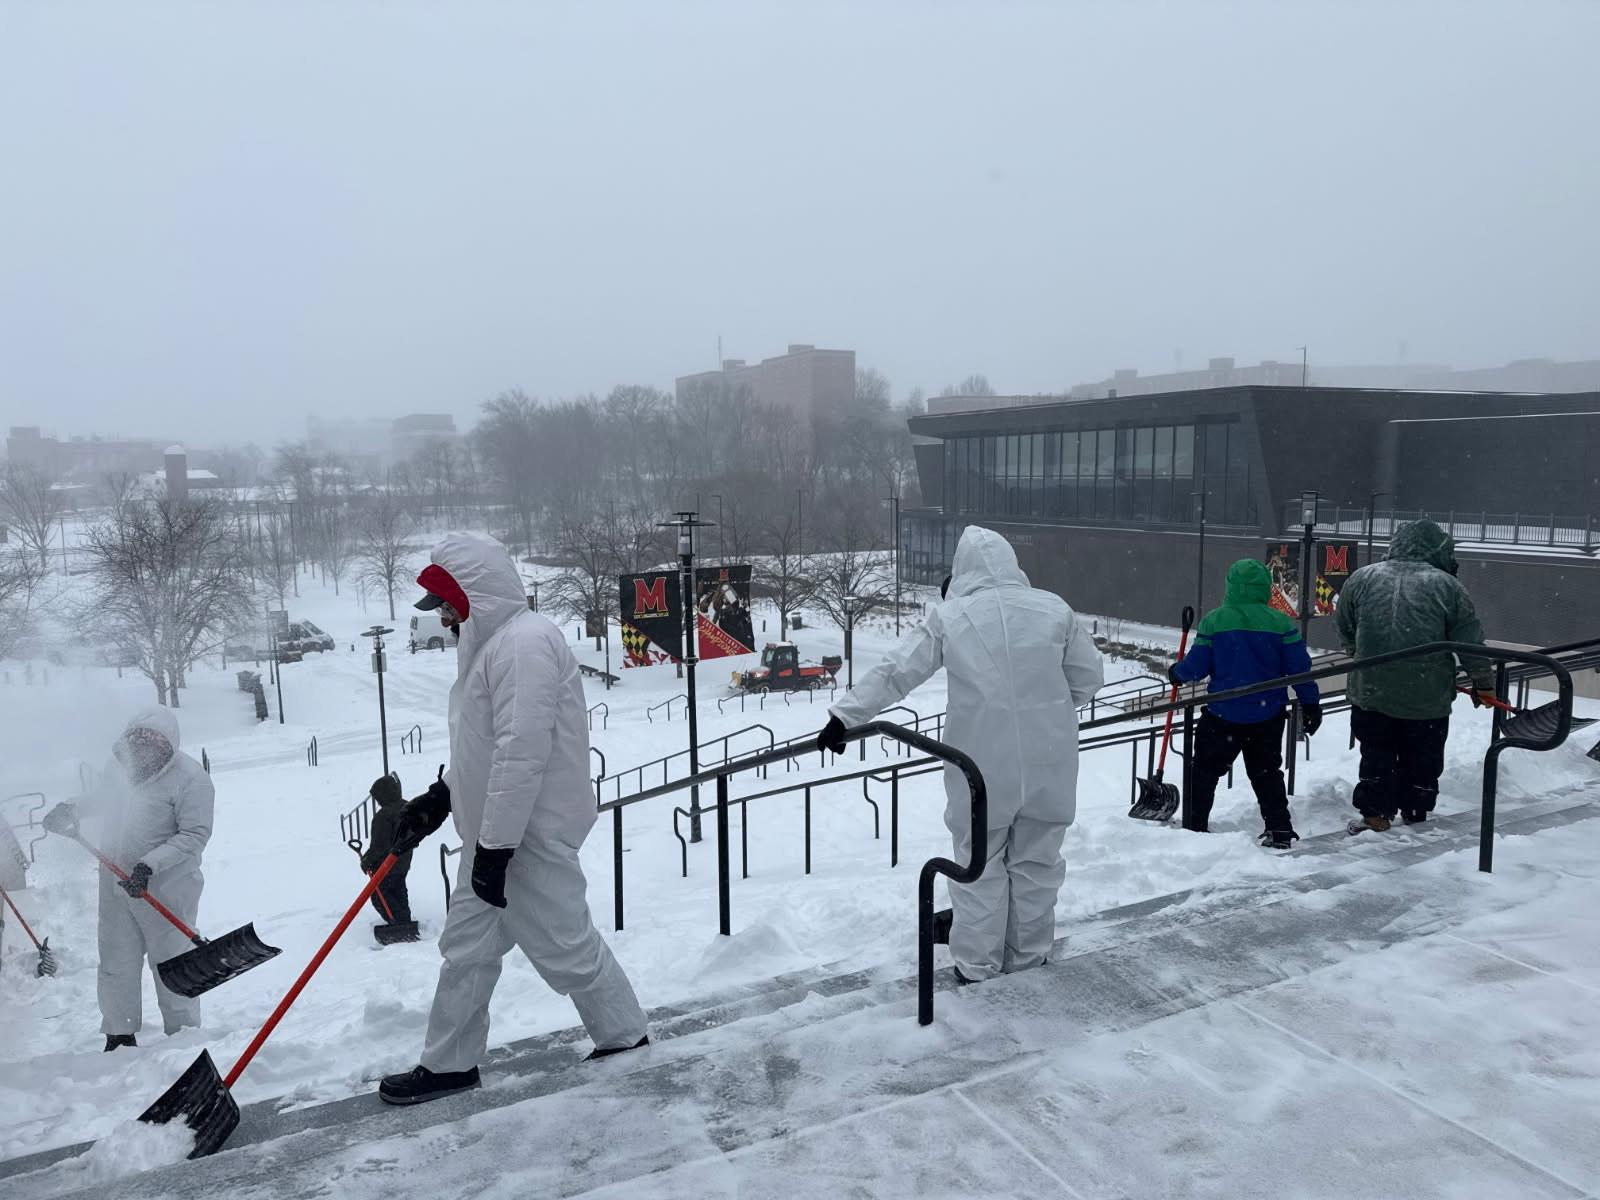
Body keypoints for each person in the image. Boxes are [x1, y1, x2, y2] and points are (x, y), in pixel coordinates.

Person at [378, 532, 649, 1105]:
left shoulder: (524, 646)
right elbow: (484, 750)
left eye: (449, 603)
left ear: (477, 593)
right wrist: (438, 798)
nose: (445, 616)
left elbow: (522, 752)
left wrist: (497, 850)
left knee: (567, 946)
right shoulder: (495, 645)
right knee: (467, 951)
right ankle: (450, 1064)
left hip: (528, 835)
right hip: (494, 835)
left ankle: (625, 1036)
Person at [817, 526, 1104, 983]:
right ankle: (1029, 961)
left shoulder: (952, 617)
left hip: (981, 768)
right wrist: (1044, 712)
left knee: (980, 866)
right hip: (1051, 760)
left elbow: (896, 671)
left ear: (961, 571)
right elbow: (1089, 678)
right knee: (1038, 863)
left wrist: (844, 717)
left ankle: (977, 967)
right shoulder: (1054, 610)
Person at [43, 708, 213, 1050]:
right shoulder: (120, 768)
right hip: (116, 880)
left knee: (172, 962)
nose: (141, 756)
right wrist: (72, 809)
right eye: (135, 748)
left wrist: (149, 866)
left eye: (149, 749)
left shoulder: (191, 778)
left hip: (165, 888)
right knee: (116, 959)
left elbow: (195, 834)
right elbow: (104, 800)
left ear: (166, 746)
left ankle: (181, 1035)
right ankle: (119, 1032)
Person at [1335, 518, 1494, 832]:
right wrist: (1483, 683)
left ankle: (1375, 815)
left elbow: (1345, 624)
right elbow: (1469, 642)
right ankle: (1416, 811)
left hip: (1372, 691)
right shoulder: (1447, 586)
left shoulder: (1362, 578)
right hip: (1427, 696)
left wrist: (1359, 653)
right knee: (1422, 758)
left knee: (1376, 755)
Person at [1168, 559, 1322, 849]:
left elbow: (1197, 668)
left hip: (1222, 713)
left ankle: (1195, 827)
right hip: (1267, 715)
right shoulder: (1281, 623)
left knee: (1203, 772)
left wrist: (1177, 673)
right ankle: (1279, 829)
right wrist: (1310, 704)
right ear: (1266, 587)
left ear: (1230, 586)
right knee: (1267, 774)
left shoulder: (1215, 621)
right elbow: (1300, 670)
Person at [360, 774, 412, 929]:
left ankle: (398, 924)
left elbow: (379, 846)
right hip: (404, 860)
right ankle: (405, 920)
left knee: (379, 895)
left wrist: (367, 861)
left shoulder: (383, 816)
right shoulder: (408, 806)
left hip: (387, 864)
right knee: (398, 890)